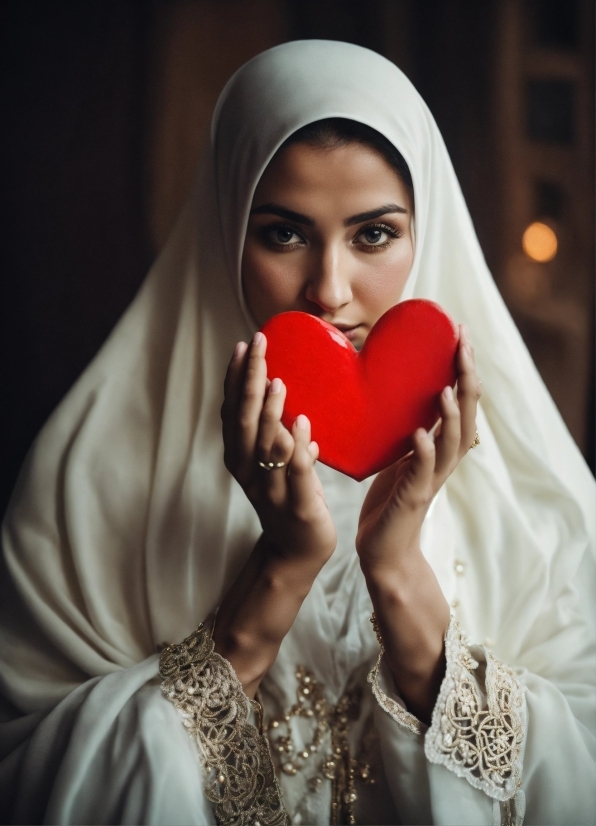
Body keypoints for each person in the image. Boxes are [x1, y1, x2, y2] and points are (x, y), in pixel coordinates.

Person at [0, 40, 594, 826]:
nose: (331, 290)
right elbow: (33, 774)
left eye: (374, 234)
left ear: (427, 232)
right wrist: (279, 570)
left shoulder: (526, 484)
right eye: (283, 234)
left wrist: (398, 570)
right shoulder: (88, 479)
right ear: (224, 227)